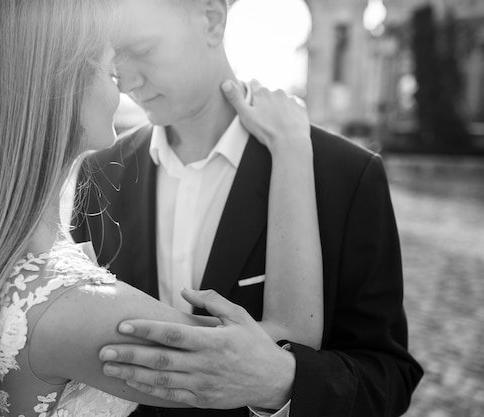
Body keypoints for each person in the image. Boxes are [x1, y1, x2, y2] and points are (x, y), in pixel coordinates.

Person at [0, 1, 323, 417]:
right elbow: (280, 353)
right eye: (108, 70)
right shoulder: (74, 310)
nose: (124, 86)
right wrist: (291, 147)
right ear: (56, 88)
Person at [70, 0, 424, 416]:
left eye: (144, 49)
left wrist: (282, 383)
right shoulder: (99, 172)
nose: (126, 81)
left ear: (212, 21)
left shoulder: (345, 173)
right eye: (112, 59)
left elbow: (388, 377)